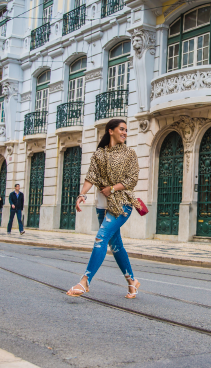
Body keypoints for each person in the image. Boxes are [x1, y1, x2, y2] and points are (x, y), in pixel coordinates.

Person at [66, 119, 141, 299]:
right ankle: (132, 282)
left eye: (126, 130)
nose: (124, 132)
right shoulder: (99, 154)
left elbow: (132, 179)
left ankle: (85, 281)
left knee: (101, 237)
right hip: (102, 206)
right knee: (116, 246)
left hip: (122, 204)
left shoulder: (130, 153)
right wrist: (82, 194)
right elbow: (91, 176)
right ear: (111, 131)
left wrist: (112, 188)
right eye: (121, 129)